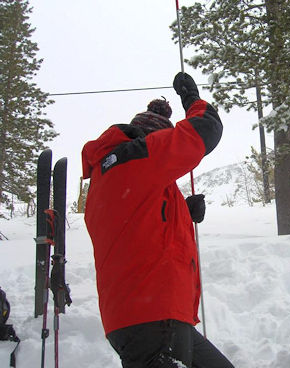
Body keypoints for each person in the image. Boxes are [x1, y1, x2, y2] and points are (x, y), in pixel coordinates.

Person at [82, 72, 234, 368]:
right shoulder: (136, 156)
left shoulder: (106, 175)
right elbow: (206, 129)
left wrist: (182, 212)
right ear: (152, 138)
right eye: (162, 139)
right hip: (154, 316)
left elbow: (139, 228)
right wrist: (192, 99)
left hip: (138, 318)